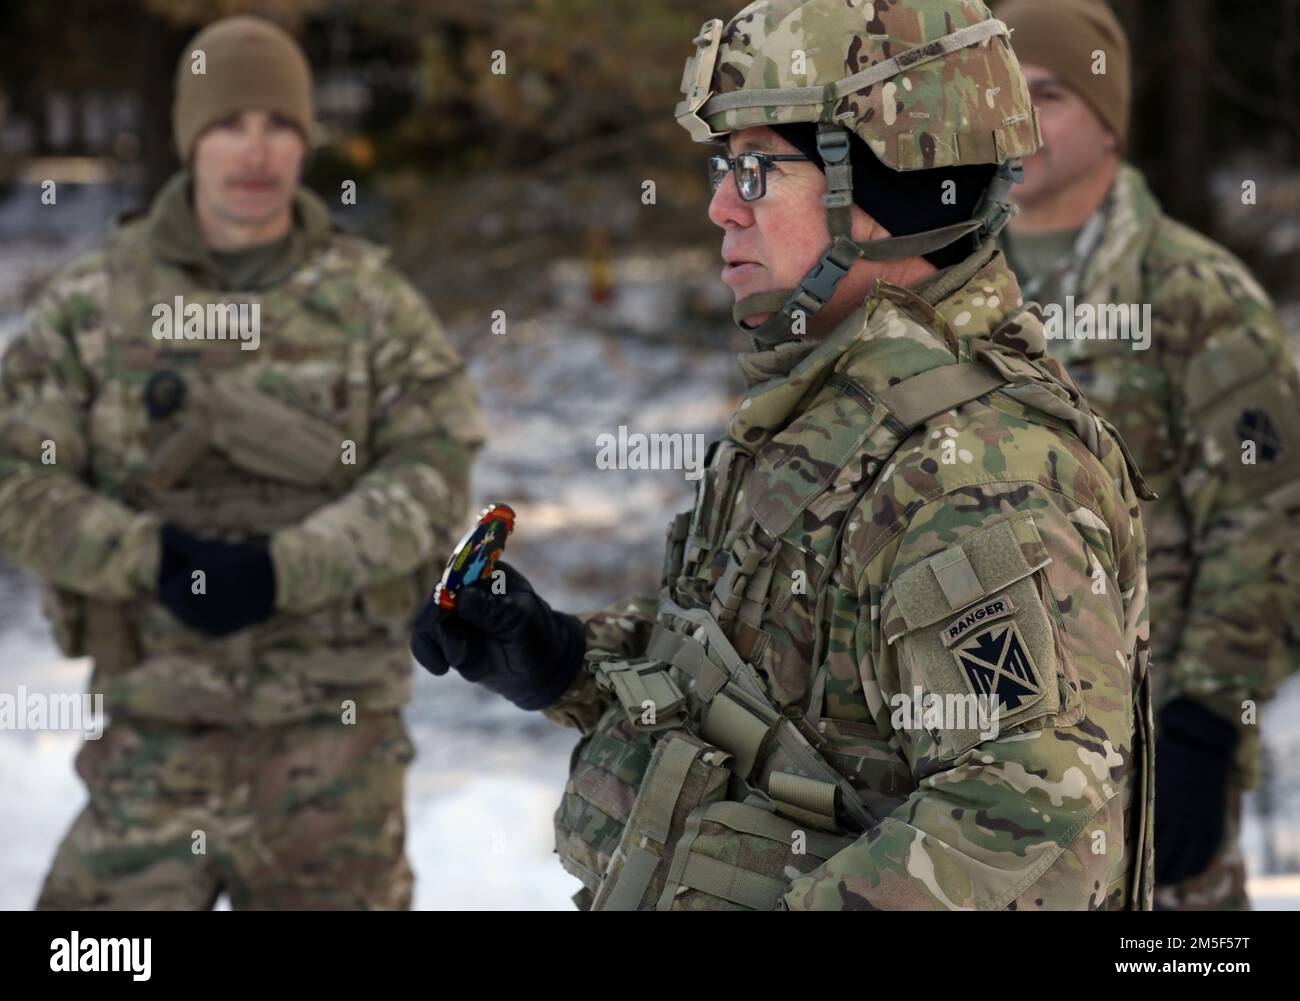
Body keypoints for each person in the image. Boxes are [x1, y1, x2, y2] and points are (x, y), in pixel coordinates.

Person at [412, 0, 1154, 910]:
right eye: (727, 165)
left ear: (888, 184)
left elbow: (1035, 821)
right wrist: (567, 660)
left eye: (758, 169)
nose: (722, 204)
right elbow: (775, 705)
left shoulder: (976, 470)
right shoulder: (836, 410)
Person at [0, 14, 485, 909]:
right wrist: (153, 558)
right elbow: (18, 478)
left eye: (279, 124)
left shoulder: (373, 304)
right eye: (229, 122)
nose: (255, 150)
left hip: (334, 753)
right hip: (153, 738)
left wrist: (281, 570)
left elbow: (433, 471)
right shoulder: (92, 305)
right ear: (191, 137)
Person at [997, 0, 1300, 910]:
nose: (1018, 120)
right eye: (1001, 95)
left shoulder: (1194, 295)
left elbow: (1273, 519)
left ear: (1110, 119)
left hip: (1152, 769)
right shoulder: (954, 292)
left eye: (1045, 93)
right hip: (981, 775)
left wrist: (1207, 725)